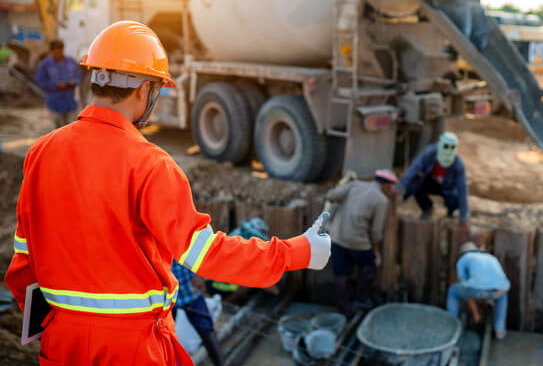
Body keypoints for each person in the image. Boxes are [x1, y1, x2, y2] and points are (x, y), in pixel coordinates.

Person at [4, 21, 331, 366]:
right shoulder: (151, 165)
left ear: (96, 79)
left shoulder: (41, 152)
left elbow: (24, 259)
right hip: (130, 349)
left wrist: (53, 323)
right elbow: (208, 255)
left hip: (61, 341)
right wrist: (298, 252)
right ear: (145, 90)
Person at [326, 169, 397, 316]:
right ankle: (360, 298)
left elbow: (331, 195)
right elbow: (376, 232)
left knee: (341, 274)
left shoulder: (355, 185)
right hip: (358, 243)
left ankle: (343, 308)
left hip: (337, 238)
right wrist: (376, 252)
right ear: (387, 186)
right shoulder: (381, 200)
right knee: (369, 267)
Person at [399, 132, 469, 231]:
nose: (448, 150)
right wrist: (401, 187)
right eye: (445, 146)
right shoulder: (429, 153)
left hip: (447, 187)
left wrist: (463, 218)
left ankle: (451, 213)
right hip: (429, 182)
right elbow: (413, 170)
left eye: (451, 147)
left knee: (455, 199)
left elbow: (462, 190)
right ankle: (427, 208)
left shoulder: (458, 165)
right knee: (416, 186)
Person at [447, 242, 510, 340]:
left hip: (475, 290)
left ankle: (451, 326)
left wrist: (475, 313)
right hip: (499, 291)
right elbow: (502, 281)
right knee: (502, 298)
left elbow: (465, 287)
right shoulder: (491, 258)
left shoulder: (463, 259)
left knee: (453, 291)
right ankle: (500, 331)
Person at [171, 261, 224, 366]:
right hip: (168, 295)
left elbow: (200, 250)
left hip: (190, 288)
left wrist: (201, 274)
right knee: (167, 337)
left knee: (207, 331)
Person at [34, 39, 81, 128]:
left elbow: (78, 76)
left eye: (61, 50)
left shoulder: (70, 61)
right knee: (57, 130)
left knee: (71, 129)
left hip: (70, 103)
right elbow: (40, 81)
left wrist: (73, 82)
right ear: (51, 51)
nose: (59, 53)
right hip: (54, 103)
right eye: (57, 51)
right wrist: (55, 85)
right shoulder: (45, 64)